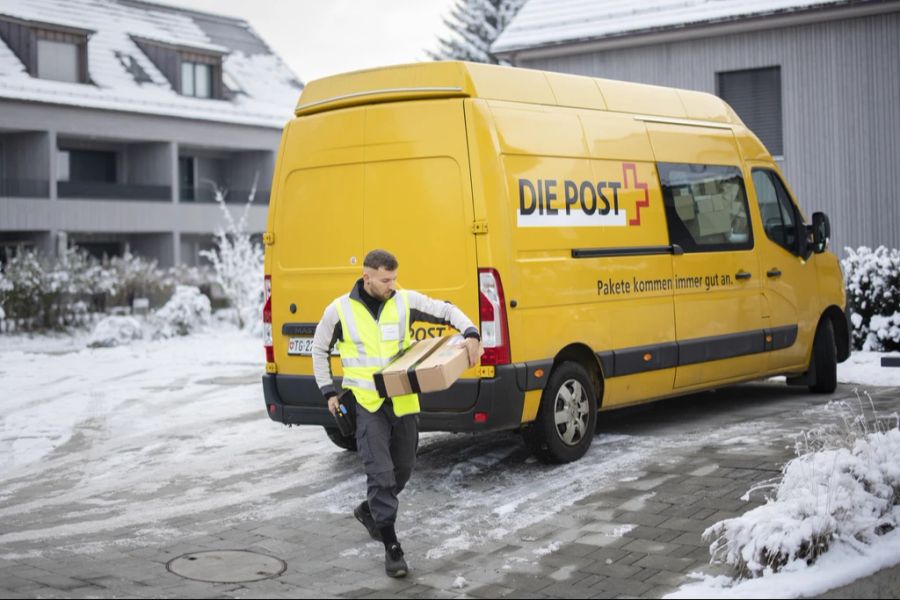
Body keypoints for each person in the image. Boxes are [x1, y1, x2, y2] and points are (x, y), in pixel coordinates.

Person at [311, 249, 482, 578]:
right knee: (381, 474)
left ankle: (369, 510)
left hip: (402, 401)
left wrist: (471, 333)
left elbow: (445, 309)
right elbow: (319, 348)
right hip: (367, 404)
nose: (392, 285)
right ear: (367, 278)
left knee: (403, 469)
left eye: (393, 278)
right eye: (386, 280)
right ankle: (392, 547)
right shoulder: (340, 311)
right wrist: (328, 391)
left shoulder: (404, 301)